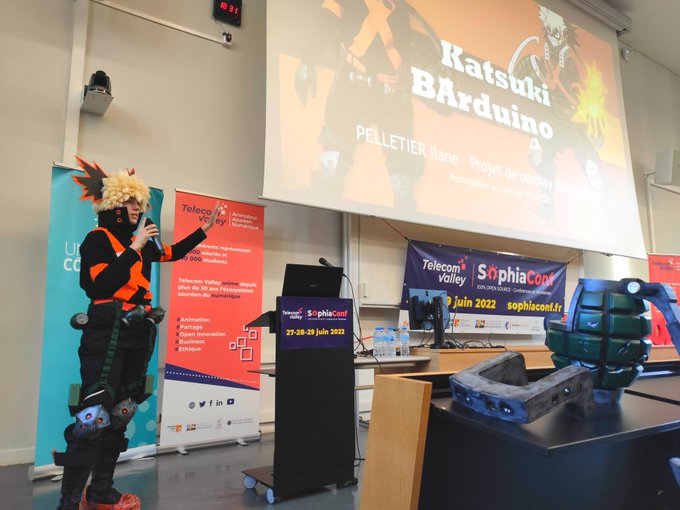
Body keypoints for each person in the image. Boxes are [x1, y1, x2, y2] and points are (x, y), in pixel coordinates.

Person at [53, 156, 222, 510]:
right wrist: (134, 248)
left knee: (122, 411)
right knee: (93, 417)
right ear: (114, 205)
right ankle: (68, 501)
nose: (137, 208)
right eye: (130, 202)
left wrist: (204, 229)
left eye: (139, 203)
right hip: (105, 329)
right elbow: (100, 284)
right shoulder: (97, 239)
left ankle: (100, 490)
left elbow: (173, 253)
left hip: (137, 329)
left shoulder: (140, 244)